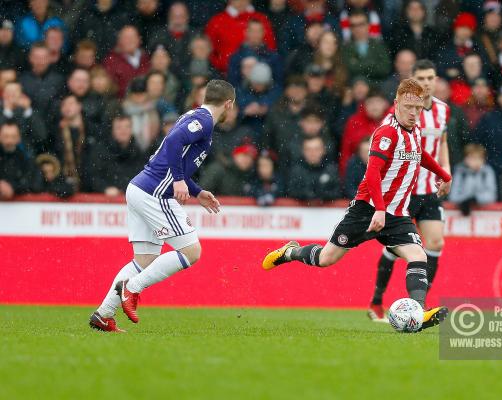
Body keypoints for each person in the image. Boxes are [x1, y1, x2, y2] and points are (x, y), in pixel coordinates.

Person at [262, 78, 452, 332]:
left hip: (396, 214)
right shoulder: (386, 133)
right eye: (408, 108)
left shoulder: (414, 130)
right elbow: (372, 173)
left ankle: (420, 312)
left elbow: (420, 155)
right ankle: (290, 252)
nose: (413, 114)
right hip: (367, 209)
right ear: (396, 104)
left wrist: (443, 173)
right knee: (326, 258)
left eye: (417, 109)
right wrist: (380, 210)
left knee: (418, 255)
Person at [90, 79, 235, 332]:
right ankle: (132, 288)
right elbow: (172, 143)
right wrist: (179, 181)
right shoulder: (204, 121)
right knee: (192, 251)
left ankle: (103, 314)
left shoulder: (193, 115)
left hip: (139, 188)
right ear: (229, 104)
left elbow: (168, 154)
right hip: (154, 193)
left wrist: (196, 191)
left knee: (144, 260)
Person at [368, 60, 451, 321]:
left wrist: (445, 170)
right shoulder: (401, 112)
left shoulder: (442, 110)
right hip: (402, 192)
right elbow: (379, 145)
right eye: (422, 78)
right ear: (413, 81)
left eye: (431, 78)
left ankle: (420, 305)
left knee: (435, 242)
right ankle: (377, 301)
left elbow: (442, 141)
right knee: (395, 248)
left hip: (429, 190)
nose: (427, 83)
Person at [449, 144, 497, 215]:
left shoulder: (487, 172)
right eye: (472, 158)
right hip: (461, 214)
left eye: (478, 158)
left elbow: (492, 196)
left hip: (484, 214)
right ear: (465, 159)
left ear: (483, 159)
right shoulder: (460, 172)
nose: (475, 161)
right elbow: (453, 196)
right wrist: (466, 201)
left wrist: (476, 199)